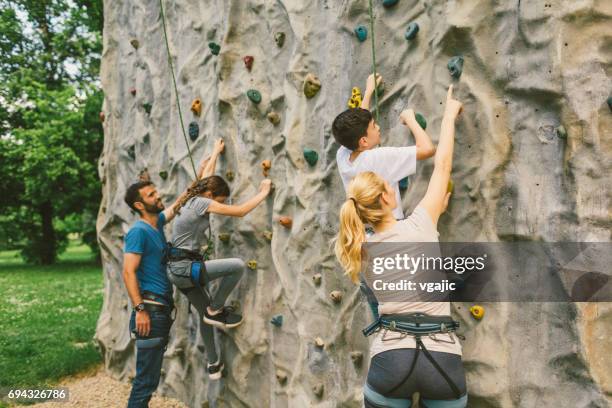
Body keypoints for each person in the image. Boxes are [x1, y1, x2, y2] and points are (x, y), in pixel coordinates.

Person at [334, 85, 466, 407]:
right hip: (442, 356)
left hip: (391, 359)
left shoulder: (358, 248)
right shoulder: (422, 223)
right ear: (387, 197)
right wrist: (448, 115)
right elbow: (442, 164)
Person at [166, 139, 273, 380]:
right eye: (219, 201)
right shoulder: (202, 202)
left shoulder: (191, 197)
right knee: (236, 266)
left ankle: (213, 364)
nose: (218, 206)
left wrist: (215, 153)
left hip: (175, 271)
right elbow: (241, 211)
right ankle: (216, 307)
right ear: (211, 195)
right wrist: (263, 191)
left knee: (205, 317)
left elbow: (206, 178)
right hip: (186, 268)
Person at [122, 150, 216, 407]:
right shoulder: (138, 232)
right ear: (139, 205)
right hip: (149, 312)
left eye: (155, 191)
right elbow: (128, 272)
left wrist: (202, 171)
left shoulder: (157, 223)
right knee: (145, 381)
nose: (158, 195)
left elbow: (182, 201)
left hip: (160, 311)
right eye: (151, 195)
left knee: (149, 380)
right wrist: (140, 309)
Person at [332, 73, 436, 221]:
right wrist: (410, 119)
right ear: (363, 142)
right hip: (391, 225)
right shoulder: (379, 158)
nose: (378, 128)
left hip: (367, 228)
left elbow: (360, 128)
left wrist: (368, 92)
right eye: (374, 126)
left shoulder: (342, 155)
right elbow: (427, 149)